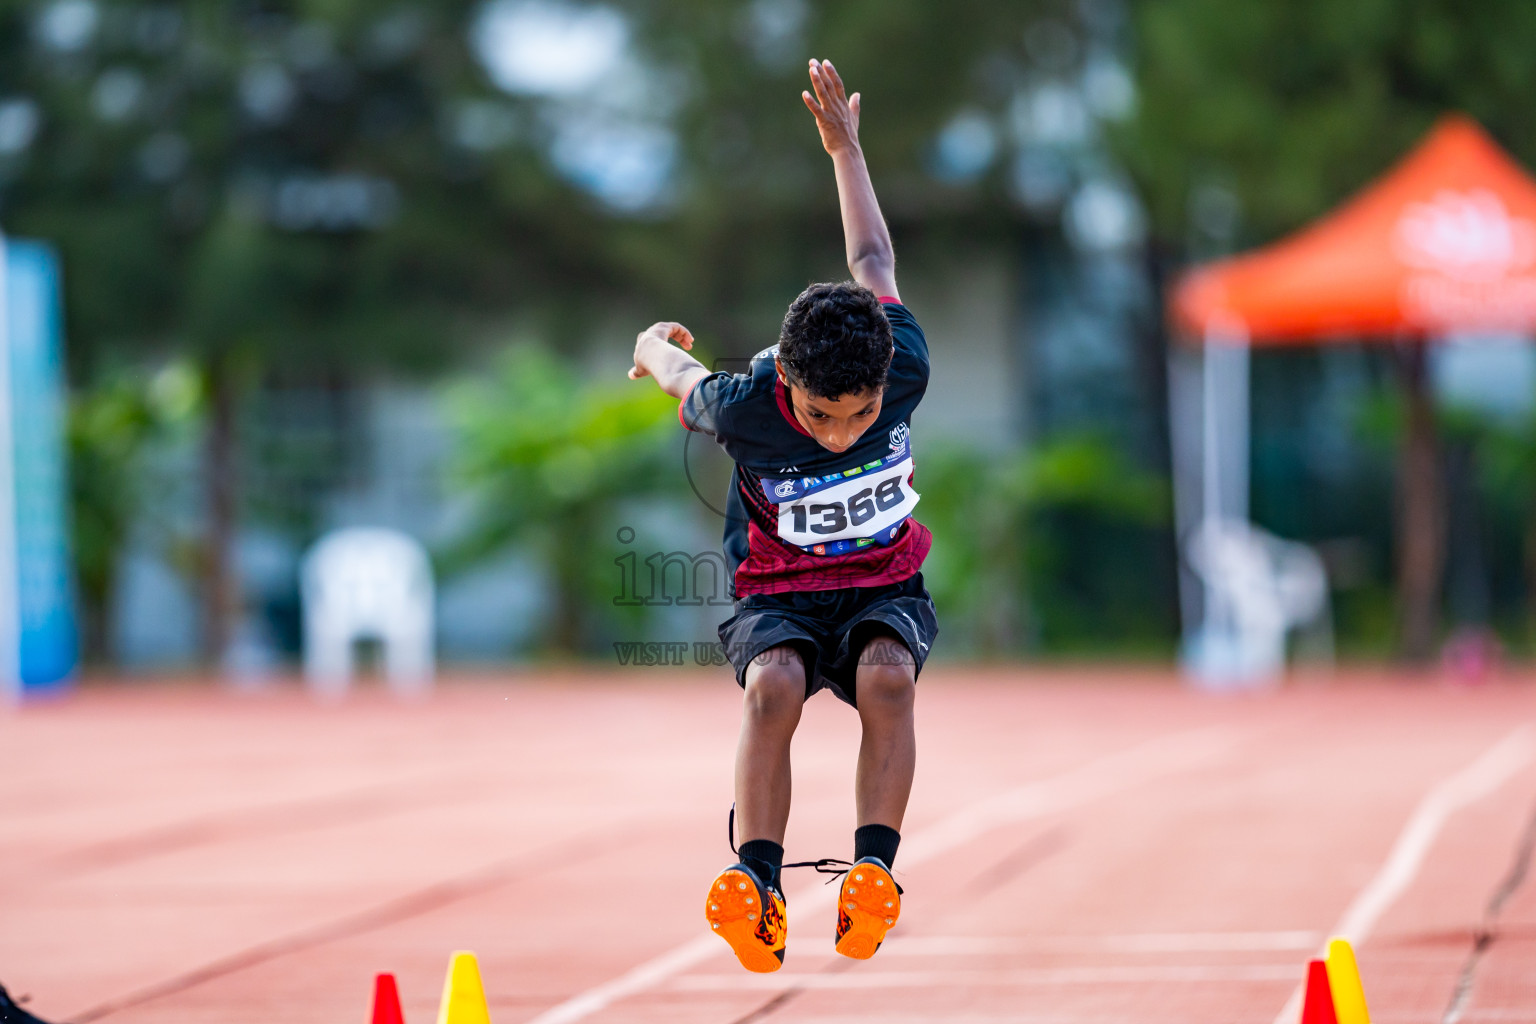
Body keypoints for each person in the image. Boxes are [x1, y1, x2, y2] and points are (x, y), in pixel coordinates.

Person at [627, 58, 937, 973]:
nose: (842, 436)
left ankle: (872, 876)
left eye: (861, 414)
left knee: (888, 680)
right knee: (774, 690)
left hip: (885, 579)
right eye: (819, 414)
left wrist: (847, 152)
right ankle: (757, 886)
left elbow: (872, 259)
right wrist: (649, 345)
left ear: (886, 381)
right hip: (779, 593)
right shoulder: (745, 404)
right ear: (785, 387)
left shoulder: (903, 359)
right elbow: (679, 374)